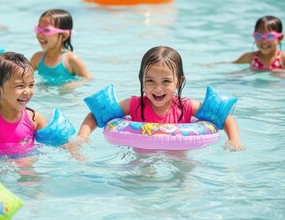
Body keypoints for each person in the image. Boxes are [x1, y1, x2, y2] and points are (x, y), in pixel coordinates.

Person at [77, 46, 245, 151]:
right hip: (142, 156)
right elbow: (97, 114)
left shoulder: (186, 106)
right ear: (142, 80)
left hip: (178, 155)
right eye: (150, 81)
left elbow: (224, 117)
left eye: (166, 81)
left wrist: (234, 140)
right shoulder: (135, 104)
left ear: (179, 82)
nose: (157, 89)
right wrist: (83, 136)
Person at [30, 9, 92, 85]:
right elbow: (23, 76)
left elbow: (88, 79)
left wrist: (71, 85)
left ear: (64, 35)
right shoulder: (37, 58)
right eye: (38, 29)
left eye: (46, 30)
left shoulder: (71, 60)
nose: (39, 34)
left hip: (64, 96)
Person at [211, 16, 284, 71]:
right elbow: (232, 63)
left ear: (280, 38)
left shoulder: (282, 59)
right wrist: (212, 64)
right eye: (258, 36)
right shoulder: (249, 57)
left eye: (270, 36)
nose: (264, 41)